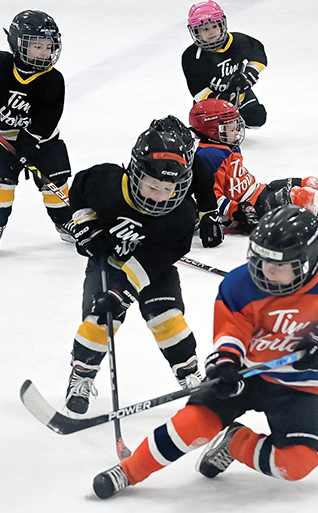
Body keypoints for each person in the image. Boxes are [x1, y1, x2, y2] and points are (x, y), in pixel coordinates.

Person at [91, 205, 318, 499]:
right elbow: (231, 333)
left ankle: (234, 442)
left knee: (298, 463)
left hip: (295, 386)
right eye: (262, 261)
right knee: (190, 425)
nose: (267, 272)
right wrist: (225, 363)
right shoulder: (240, 285)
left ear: (310, 262)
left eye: (280, 266)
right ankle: (128, 470)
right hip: (243, 375)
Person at [63, 116, 218, 417]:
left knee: (168, 318)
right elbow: (78, 191)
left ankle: (189, 375)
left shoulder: (182, 217)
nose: (160, 196)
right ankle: (81, 374)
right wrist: (86, 224)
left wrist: (123, 290)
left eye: (168, 189)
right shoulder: (106, 182)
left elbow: (153, 261)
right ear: (136, 173)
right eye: (152, 186)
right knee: (100, 319)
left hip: (151, 269)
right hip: (107, 262)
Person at [0, 10, 75, 255]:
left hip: (43, 141)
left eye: (49, 45)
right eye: (36, 45)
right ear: (17, 43)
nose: (45, 52)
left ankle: (65, 221)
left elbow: (48, 118)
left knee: (56, 183)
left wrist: (29, 141)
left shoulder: (53, 79)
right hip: (3, 141)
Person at [189, 98, 318, 233]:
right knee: (301, 196)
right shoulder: (209, 155)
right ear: (213, 131)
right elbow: (210, 196)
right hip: (251, 208)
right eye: (229, 126)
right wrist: (237, 212)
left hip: (258, 192)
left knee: (309, 182)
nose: (236, 129)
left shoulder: (224, 145)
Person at [182, 0, 268, 129]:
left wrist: (249, 75)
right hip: (211, 100)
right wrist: (223, 99)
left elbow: (258, 53)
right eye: (205, 29)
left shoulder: (238, 41)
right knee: (211, 131)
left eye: (215, 26)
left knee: (256, 118)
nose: (211, 32)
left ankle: (236, 119)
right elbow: (197, 90)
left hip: (240, 94)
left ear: (222, 25)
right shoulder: (191, 56)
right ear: (196, 32)